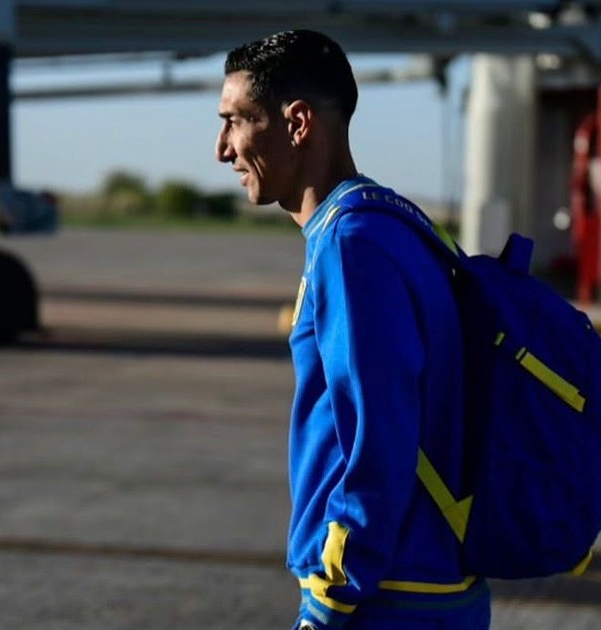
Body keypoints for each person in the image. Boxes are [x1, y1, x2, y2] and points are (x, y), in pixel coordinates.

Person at [216, 31, 490, 630]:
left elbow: (378, 431)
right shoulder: (394, 224)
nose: (222, 149)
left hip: (387, 596)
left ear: (297, 123)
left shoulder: (350, 243)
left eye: (235, 121)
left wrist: (332, 595)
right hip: (431, 583)